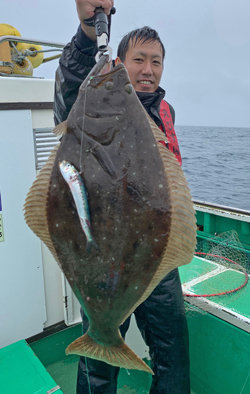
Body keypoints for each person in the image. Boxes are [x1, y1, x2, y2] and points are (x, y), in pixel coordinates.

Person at [54, 1, 190, 393]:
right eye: (139, 60)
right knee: (97, 361)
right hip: (99, 255)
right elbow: (71, 80)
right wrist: (87, 29)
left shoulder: (167, 111)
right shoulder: (90, 103)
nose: (148, 70)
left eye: (156, 62)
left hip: (153, 253)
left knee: (173, 351)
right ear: (119, 62)